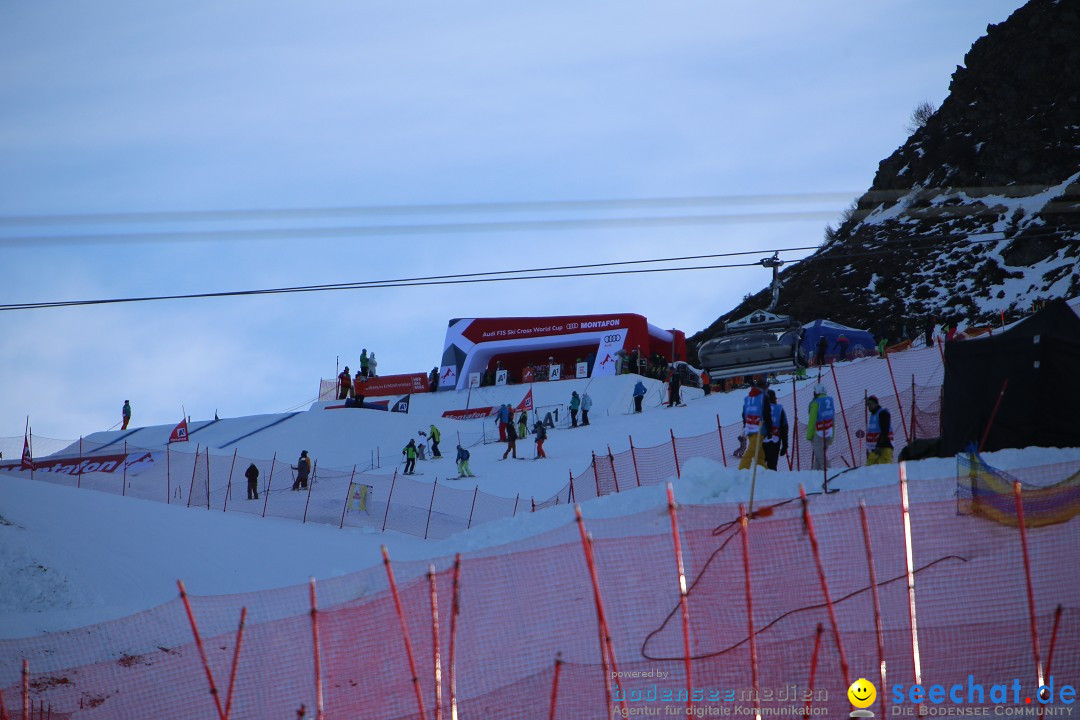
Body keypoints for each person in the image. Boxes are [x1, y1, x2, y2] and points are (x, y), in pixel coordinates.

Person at [738, 380, 771, 470]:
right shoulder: (764, 397)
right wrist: (769, 429)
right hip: (760, 428)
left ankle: (765, 471)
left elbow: (744, 413)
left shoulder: (748, 398)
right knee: (751, 451)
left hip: (750, 428)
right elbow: (767, 414)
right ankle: (742, 470)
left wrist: (746, 424)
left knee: (760, 454)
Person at [806, 383, 835, 471]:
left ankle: (830, 476)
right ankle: (814, 475)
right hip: (828, 433)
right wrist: (832, 436)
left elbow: (812, 421)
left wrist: (809, 435)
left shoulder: (815, 403)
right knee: (819, 459)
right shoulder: (830, 402)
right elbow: (833, 419)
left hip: (818, 434)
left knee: (822, 460)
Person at [762, 390, 789, 471]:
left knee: (761, 466)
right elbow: (784, 428)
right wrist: (785, 445)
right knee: (772, 466)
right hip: (775, 440)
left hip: (762, 440)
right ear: (774, 399)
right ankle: (772, 481)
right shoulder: (779, 409)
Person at [865, 396, 894, 465]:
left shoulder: (883, 413)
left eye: (870, 404)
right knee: (869, 467)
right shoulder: (873, 415)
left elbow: (885, 431)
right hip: (875, 449)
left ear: (876, 404)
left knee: (885, 469)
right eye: (868, 404)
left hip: (884, 447)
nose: (869, 406)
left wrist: (879, 445)